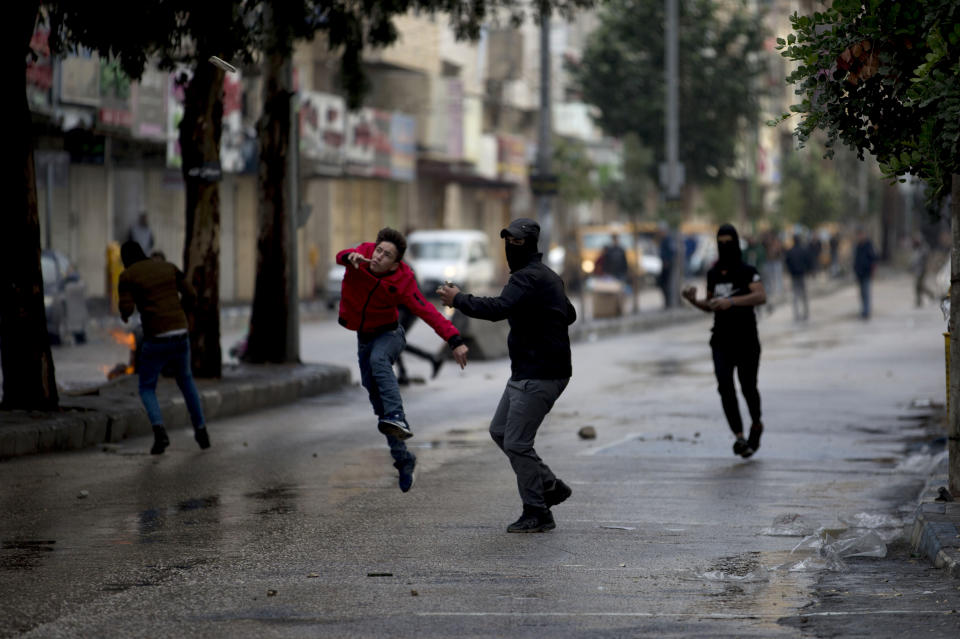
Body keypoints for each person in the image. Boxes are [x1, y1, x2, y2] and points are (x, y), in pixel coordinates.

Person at [438, 218, 577, 533]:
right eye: (508, 241)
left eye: (517, 242)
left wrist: (458, 299)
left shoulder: (528, 278)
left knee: (516, 442)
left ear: (530, 245)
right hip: (528, 370)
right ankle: (549, 486)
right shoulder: (544, 278)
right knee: (500, 431)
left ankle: (538, 511)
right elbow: (569, 313)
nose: (511, 248)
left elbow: (498, 308)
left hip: (540, 373)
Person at [337, 227, 469, 492]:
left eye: (387, 256)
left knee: (379, 362)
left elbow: (427, 310)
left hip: (389, 334)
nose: (378, 257)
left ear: (396, 263)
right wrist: (348, 257)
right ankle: (403, 459)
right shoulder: (360, 256)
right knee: (379, 406)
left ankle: (399, 415)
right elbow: (341, 255)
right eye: (379, 251)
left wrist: (454, 340)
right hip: (364, 336)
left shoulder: (402, 280)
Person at [682, 224, 767, 458]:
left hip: (747, 339)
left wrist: (732, 302)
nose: (725, 246)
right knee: (725, 387)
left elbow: (761, 296)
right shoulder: (713, 273)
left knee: (748, 387)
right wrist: (693, 300)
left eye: (729, 242)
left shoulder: (747, 270)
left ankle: (756, 425)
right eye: (721, 242)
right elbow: (711, 306)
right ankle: (739, 436)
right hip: (721, 340)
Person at [118, 241, 209, 455]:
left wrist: (126, 311)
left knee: (147, 387)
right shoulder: (168, 267)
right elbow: (191, 295)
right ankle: (202, 430)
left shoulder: (128, 276)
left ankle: (160, 432)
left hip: (156, 338)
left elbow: (127, 310)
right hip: (180, 334)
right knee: (186, 382)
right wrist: (179, 314)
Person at [853, 227, 878, 319]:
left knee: (866, 292)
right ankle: (863, 310)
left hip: (867, 273)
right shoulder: (858, 246)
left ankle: (866, 312)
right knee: (862, 294)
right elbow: (856, 260)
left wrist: (872, 271)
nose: (860, 237)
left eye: (861, 234)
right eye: (858, 235)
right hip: (859, 273)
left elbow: (874, 259)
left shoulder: (869, 245)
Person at [784, 234, 810, 322]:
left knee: (795, 295)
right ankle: (805, 312)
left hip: (794, 275)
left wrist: (791, 271)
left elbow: (787, 262)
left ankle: (797, 314)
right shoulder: (803, 250)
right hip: (801, 274)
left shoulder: (790, 251)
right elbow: (807, 261)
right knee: (803, 295)